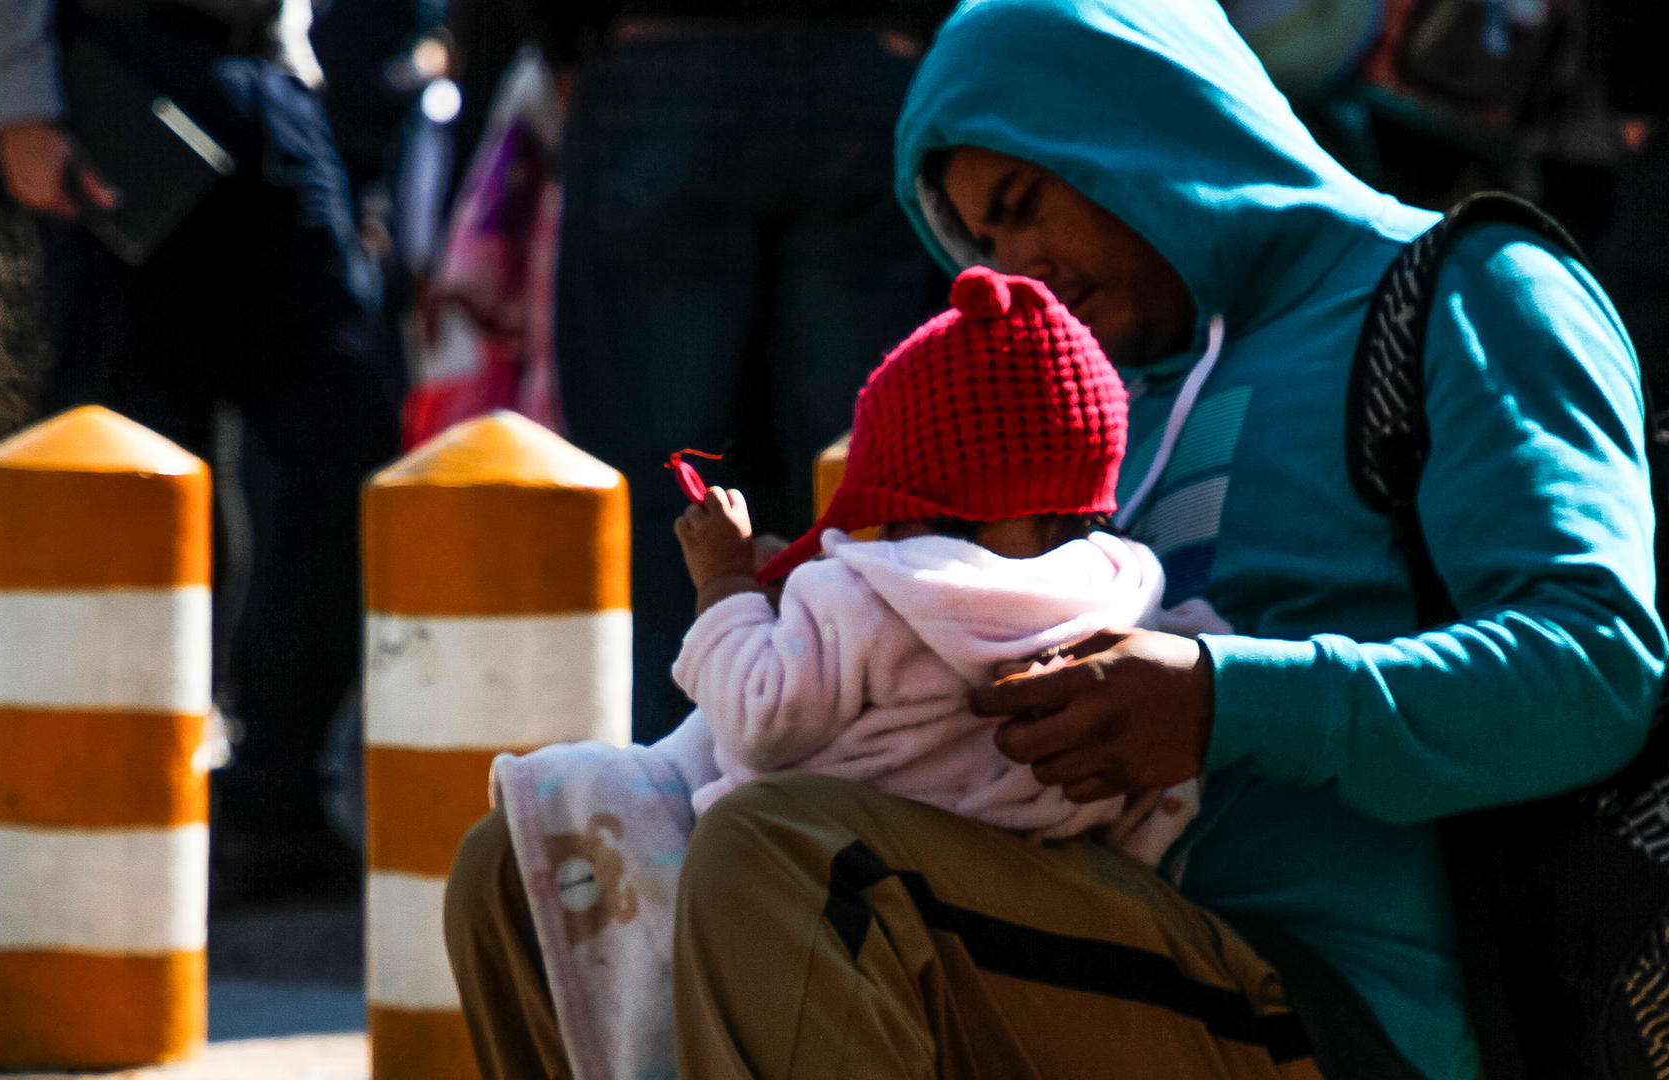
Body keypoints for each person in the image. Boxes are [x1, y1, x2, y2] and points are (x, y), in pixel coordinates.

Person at [443, 0, 1662, 1076]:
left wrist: (1221, 700)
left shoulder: (1468, 290)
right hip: (1072, 926)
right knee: (537, 859)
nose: (1017, 273)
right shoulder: (1095, 392)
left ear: (1140, 120)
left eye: (1024, 210)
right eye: (976, 244)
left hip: (1336, 1011)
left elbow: (1598, 665)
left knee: (804, 866)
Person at [0, 0, 403, 901]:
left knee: (347, 442)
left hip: (268, 77)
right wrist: (22, 105)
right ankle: (115, 818)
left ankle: (273, 795)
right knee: (123, 472)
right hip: (120, 67)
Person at [506, 0, 954, 739]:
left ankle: (665, 807)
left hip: (663, 54)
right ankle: (871, 791)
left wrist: (563, 46)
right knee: (861, 486)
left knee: (661, 498)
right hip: (870, 56)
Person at [673, 265, 1198, 860]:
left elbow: (758, 717)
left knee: (568, 784)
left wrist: (727, 584)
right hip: (1027, 888)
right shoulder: (1130, 589)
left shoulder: (866, 598)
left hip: (819, 873)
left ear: (912, 501)